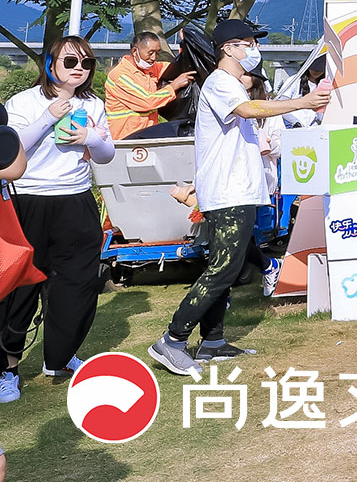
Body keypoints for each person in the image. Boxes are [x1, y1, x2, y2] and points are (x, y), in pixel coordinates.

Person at [149, 20, 328, 378]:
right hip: (227, 193)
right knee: (224, 268)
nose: (253, 49)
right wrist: (305, 101)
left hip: (237, 190)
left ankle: (213, 340)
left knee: (228, 266)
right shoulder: (220, 82)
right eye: (247, 43)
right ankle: (172, 340)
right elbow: (248, 111)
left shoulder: (230, 84)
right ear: (228, 48)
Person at [1, 37, 117, 398]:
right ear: (50, 65)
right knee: (19, 289)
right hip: (28, 201)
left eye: (87, 63)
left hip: (75, 200)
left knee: (77, 284)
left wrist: (90, 138)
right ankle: (7, 369)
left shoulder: (92, 104)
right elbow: (11, 150)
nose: (79, 69)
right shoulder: (23, 102)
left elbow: (106, 154)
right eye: (70, 62)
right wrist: (48, 117)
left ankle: (60, 357)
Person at [103, 31, 195, 139]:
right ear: (134, 51)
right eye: (150, 53)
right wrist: (174, 86)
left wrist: (185, 45)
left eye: (157, 53)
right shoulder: (120, 76)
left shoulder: (152, 68)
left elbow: (176, 67)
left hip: (146, 136)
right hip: (125, 139)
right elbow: (147, 101)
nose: (154, 57)